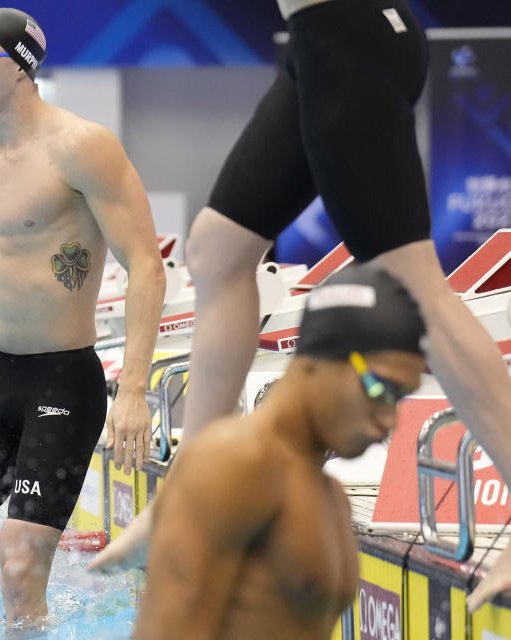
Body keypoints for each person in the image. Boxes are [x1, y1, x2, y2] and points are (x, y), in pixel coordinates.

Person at [92, 0, 511, 611]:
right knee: (217, 251)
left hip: (347, 37)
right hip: (326, 41)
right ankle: (190, 497)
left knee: (417, 284)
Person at [0, 8, 166, 629]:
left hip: (62, 383)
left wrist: (133, 391)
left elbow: (146, 267)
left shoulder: (82, 146)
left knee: (20, 563)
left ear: (21, 69)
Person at [136, 265, 426, 639]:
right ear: (318, 359)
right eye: (381, 389)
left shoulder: (330, 497)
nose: (389, 420)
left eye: (401, 399)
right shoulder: (234, 464)